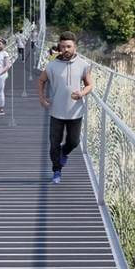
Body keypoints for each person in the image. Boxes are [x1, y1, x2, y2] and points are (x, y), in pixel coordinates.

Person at [38, 31, 93, 184]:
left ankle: (64, 152)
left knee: (74, 141)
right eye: (63, 47)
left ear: (75, 47)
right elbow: (41, 80)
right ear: (59, 47)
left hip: (75, 111)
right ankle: (57, 170)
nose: (66, 49)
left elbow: (90, 85)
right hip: (56, 111)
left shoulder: (83, 65)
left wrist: (82, 93)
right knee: (54, 143)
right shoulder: (52, 65)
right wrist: (41, 98)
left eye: (69, 46)